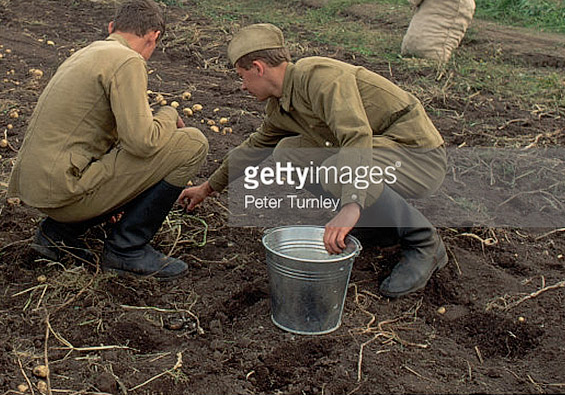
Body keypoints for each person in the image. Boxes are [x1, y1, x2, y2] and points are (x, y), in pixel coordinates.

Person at [179, 23, 449, 298]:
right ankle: (379, 230)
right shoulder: (282, 105)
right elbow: (254, 148)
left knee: (337, 169)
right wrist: (208, 188)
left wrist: (351, 205)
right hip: (381, 154)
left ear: (258, 68)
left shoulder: (321, 77)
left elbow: (356, 137)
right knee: (288, 153)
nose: (243, 85)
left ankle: (424, 241)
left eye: (242, 76)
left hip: (417, 156)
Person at [8, 0, 209, 279]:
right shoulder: (127, 60)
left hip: (40, 187)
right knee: (192, 143)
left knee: (124, 154)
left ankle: (57, 234)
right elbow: (141, 143)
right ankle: (127, 249)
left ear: (112, 26)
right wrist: (167, 114)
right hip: (64, 192)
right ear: (155, 37)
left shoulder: (90, 52)